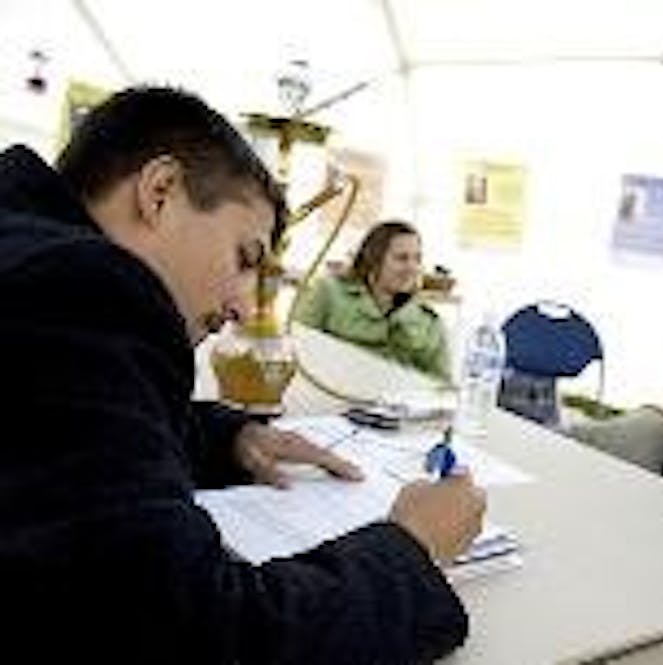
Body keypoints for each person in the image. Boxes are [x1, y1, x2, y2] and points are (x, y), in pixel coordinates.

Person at [0, 87, 485, 664]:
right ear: (160, 192)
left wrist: (232, 439)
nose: (240, 303)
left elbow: (63, 432)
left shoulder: (24, 256)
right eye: (245, 257)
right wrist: (411, 549)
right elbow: (206, 637)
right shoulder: (82, 287)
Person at [295, 220, 451, 379]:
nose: (412, 267)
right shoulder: (328, 293)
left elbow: (442, 388)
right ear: (373, 260)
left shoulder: (429, 323)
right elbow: (296, 349)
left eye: (417, 259)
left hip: (396, 401)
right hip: (326, 396)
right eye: (401, 258)